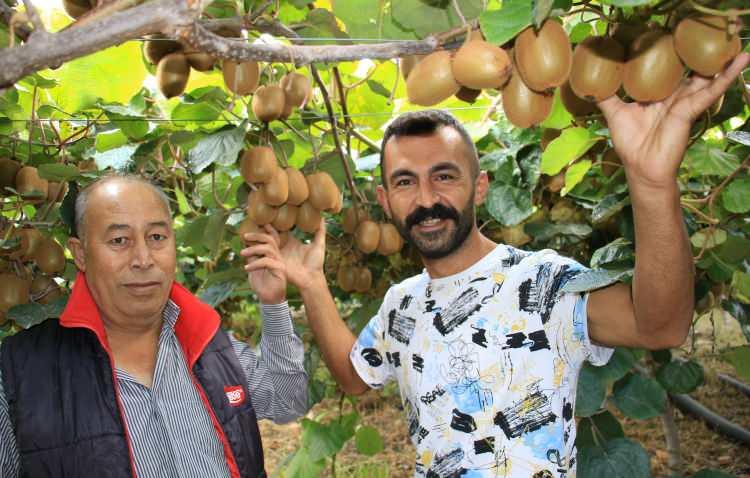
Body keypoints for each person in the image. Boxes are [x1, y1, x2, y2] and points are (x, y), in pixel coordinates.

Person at [273, 52, 750, 477]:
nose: (426, 199)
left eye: (444, 176)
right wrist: (313, 284)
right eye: (405, 183)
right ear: (385, 200)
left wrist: (651, 183)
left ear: (479, 187)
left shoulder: (543, 281)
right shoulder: (402, 305)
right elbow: (355, 378)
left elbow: (661, 327)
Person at [0, 175, 308, 477]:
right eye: (119, 240)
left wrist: (273, 302)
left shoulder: (209, 344)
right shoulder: (18, 375)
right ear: (80, 254)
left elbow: (286, 402)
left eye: (157, 237)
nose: (143, 259)